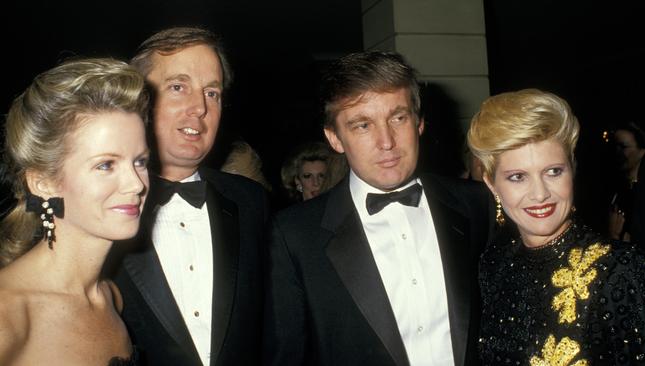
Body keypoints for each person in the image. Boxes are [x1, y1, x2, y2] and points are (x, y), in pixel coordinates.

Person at [264, 51, 493, 366]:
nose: (387, 141)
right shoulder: (293, 236)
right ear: (335, 138)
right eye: (362, 125)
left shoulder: (476, 204)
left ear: (420, 122)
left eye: (398, 117)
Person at [112, 27, 268, 366]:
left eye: (211, 92)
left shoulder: (252, 203)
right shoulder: (98, 208)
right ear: (138, 100)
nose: (198, 107)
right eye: (178, 87)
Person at [467, 89, 645, 364]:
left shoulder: (623, 271)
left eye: (553, 171)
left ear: (572, 169)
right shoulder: (491, 266)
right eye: (517, 177)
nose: (540, 194)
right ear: (492, 185)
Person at [0, 58, 149, 365]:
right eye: (106, 165)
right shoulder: (8, 314)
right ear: (43, 182)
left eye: (140, 161)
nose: (135, 184)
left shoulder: (109, 297)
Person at [608, 122, 645, 246]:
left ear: (643, 150)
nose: (617, 152)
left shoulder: (644, 189)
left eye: (623, 146)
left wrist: (614, 237)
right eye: (615, 146)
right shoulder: (622, 188)